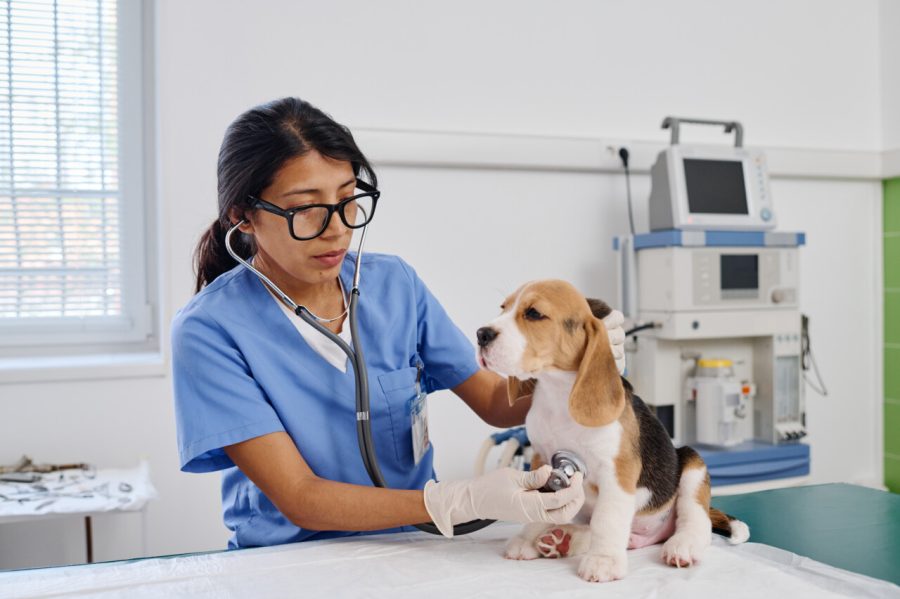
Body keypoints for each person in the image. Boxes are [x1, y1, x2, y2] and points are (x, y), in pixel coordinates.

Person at [171, 97, 626, 548]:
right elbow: (300, 497)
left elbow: (494, 400)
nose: (336, 228)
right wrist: (456, 501)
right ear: (242, 216)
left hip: (412, 549)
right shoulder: (210, 331)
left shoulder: (394, 286)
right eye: (305, 207)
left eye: (349, 200)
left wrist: (577, 364)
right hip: (290, 563)